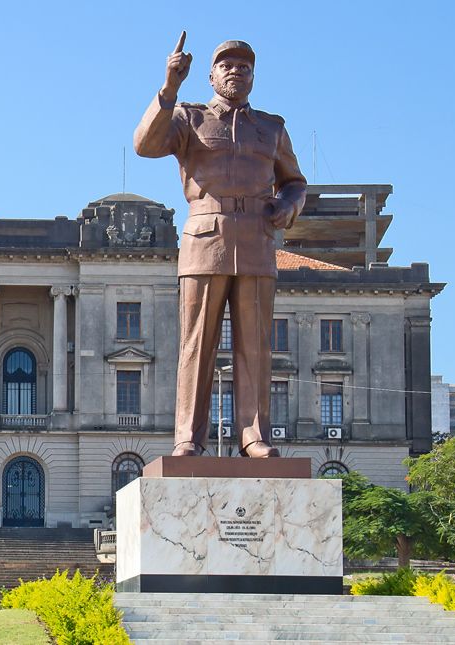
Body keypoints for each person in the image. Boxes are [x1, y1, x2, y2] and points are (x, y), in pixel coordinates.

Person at [134, 35, 307, 458]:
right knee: (197, 343)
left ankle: (254, 435)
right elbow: (145, 145)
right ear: (211, 75)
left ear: (254, 77)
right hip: (205, 237)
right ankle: (189, 437)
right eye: (226, 65)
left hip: (256, 238)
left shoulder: (271, 127)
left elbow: (295, 180)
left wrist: (288, 203)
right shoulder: (188, 118)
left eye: (244, 66)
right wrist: (169, 87)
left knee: (256, 346)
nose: (235, 71)